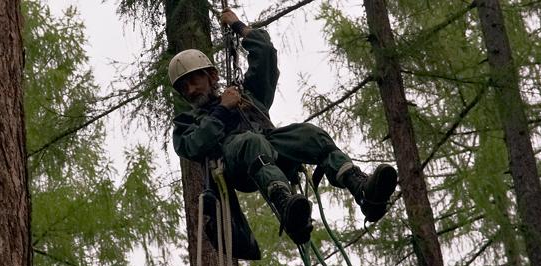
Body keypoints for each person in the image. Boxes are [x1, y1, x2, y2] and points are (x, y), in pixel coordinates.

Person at [170, 9, 398, 245]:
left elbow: (265, 54)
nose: (190, 90)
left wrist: (238, 25)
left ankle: (363, 191)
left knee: (310, 135)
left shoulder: (246, 97)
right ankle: (286, 206)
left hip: (273, 152)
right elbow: (191, 146)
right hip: (239, 166)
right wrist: (223, 110)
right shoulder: (188, 122)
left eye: (193, 80)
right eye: (183, 87)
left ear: (213, 76)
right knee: (251, 141)